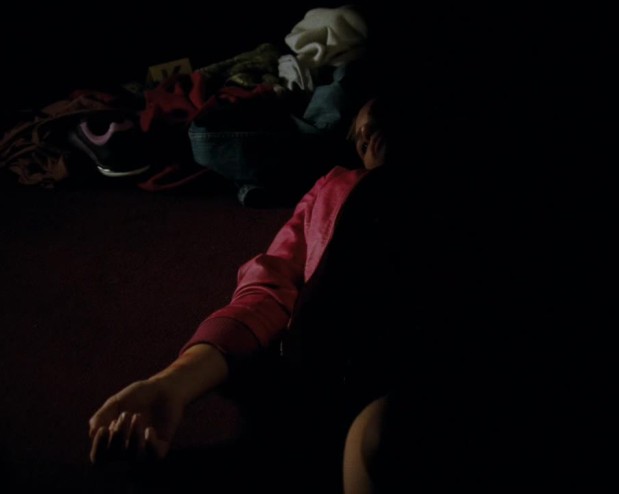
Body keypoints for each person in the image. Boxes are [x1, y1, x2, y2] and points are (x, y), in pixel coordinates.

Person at [87, 94, 470, 492]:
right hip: (334, 383)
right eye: (362, 134)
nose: (369, 140)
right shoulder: (334, 188)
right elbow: (267, 290)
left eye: (382, 126)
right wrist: (173, 384)